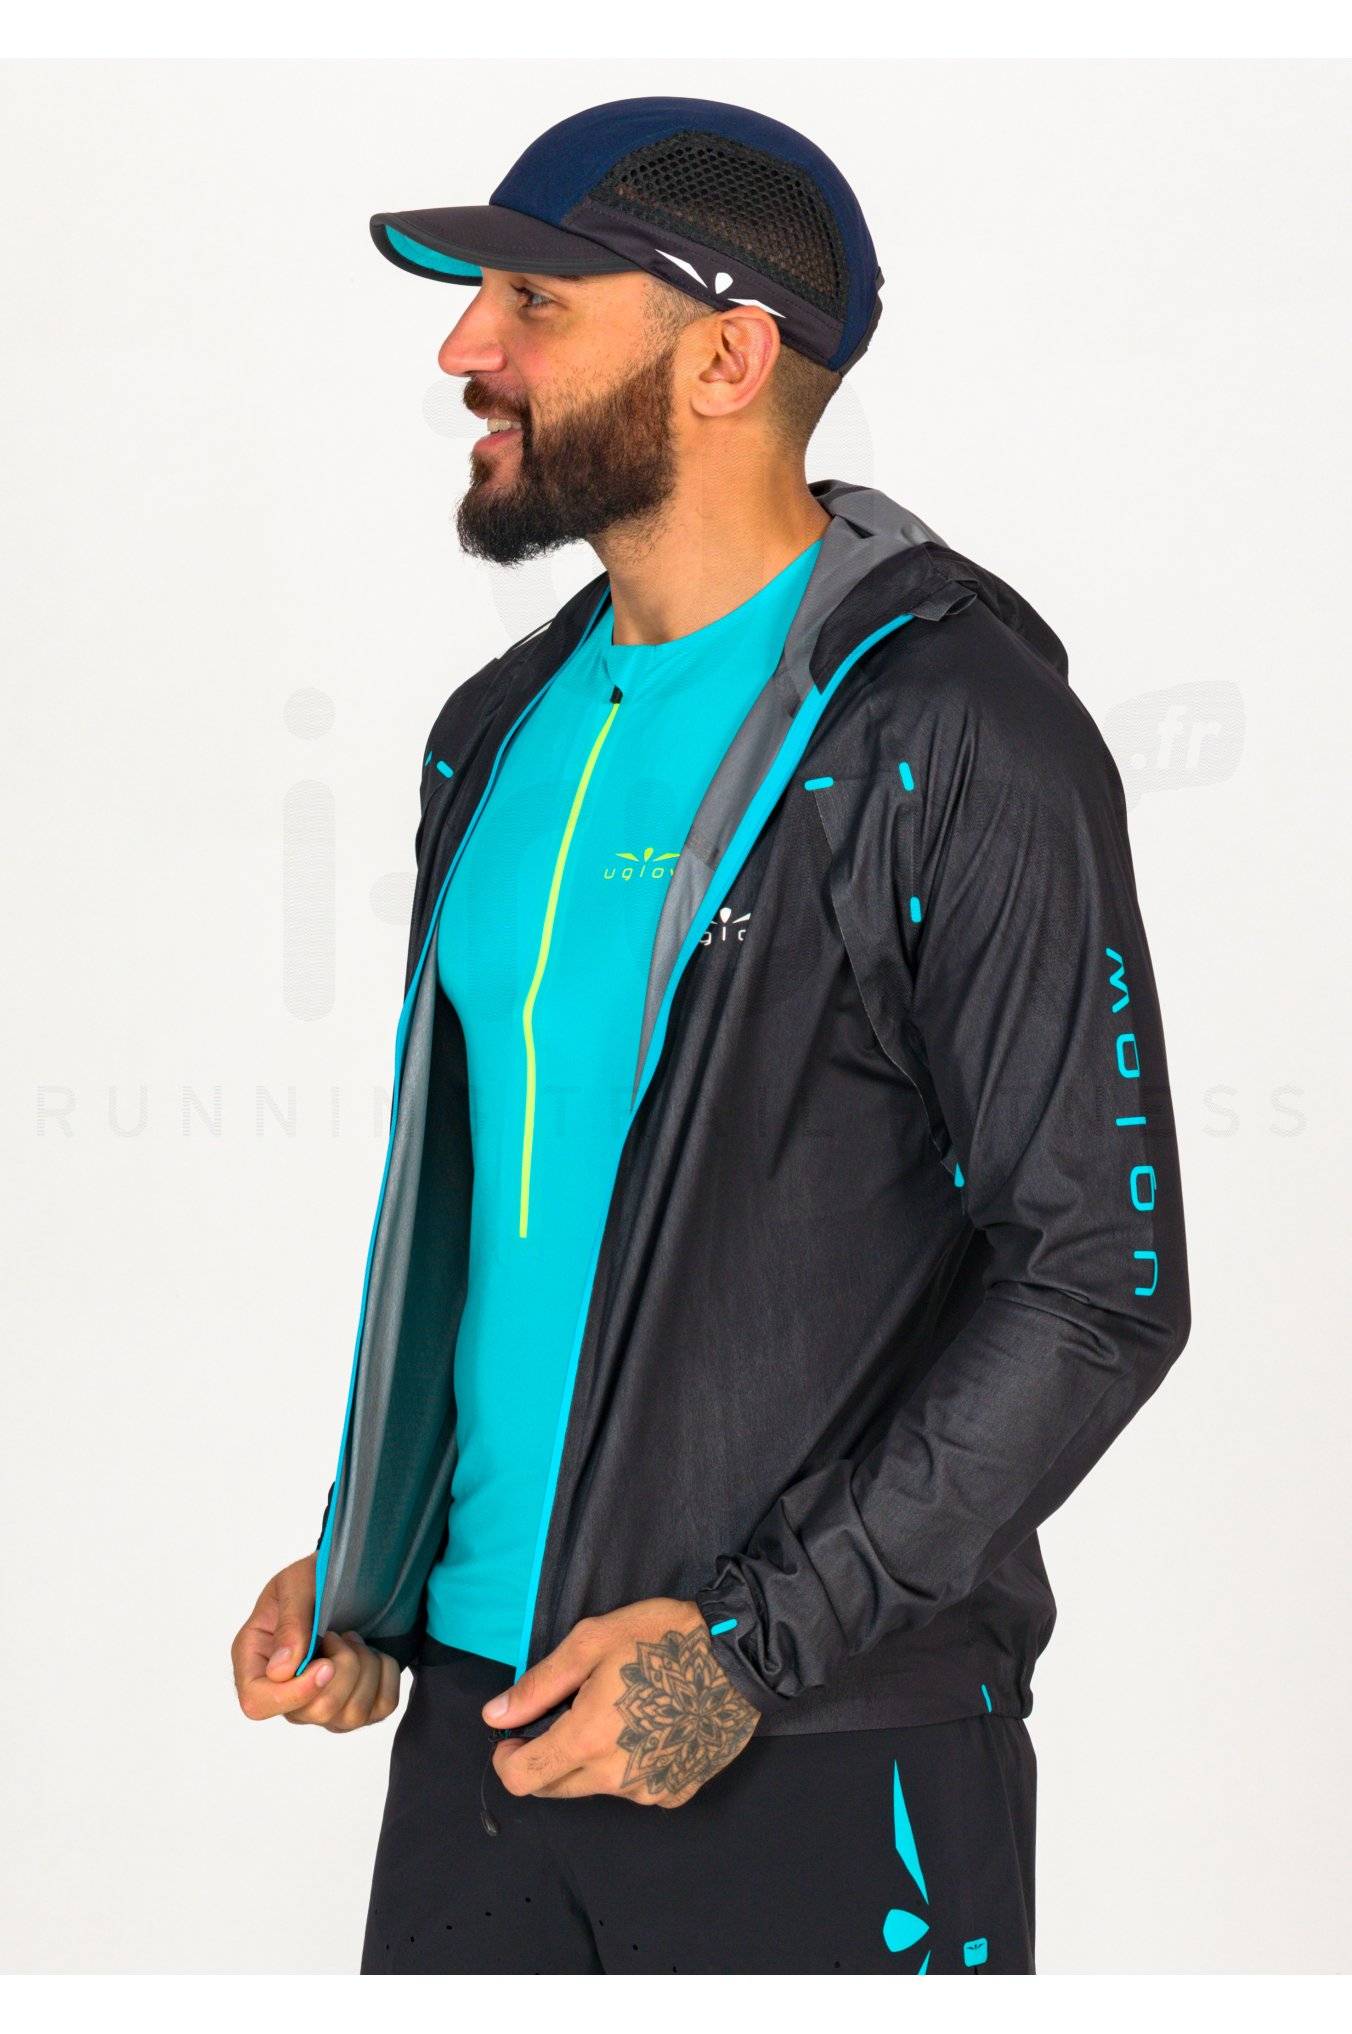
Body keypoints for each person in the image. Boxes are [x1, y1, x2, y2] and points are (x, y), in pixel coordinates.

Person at [231, 96, 1190, 1976]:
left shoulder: (952, 733)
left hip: (823, 1747)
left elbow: (1100, 1280)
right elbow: (521, 1214)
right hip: (482, 1737)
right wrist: (382, 1563)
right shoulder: (494, 733)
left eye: (536, 303)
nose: (466, 348)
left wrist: (748, 1650)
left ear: (730, 359)